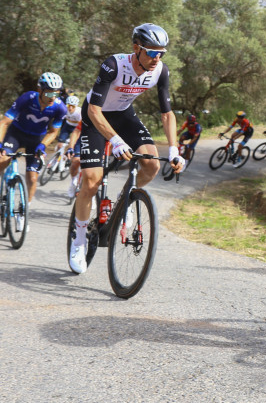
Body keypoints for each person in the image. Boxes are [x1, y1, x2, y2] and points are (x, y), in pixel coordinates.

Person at [69, 23, 185, 274]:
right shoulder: (113, 65)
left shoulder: (160, 71)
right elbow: (93, 111)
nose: (157, 58)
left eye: (161, 53)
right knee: (92, 180)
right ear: (136, 48)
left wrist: (175, 149)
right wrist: (116, 140)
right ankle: (78, 240)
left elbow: (167, 114)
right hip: (95, 117)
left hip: (123, 115)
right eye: (152, 52)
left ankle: (127, 202)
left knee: (152, 164)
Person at [0, 72, 68, 204]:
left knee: (32, 178)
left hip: (36, 139)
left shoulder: (60, 108)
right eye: (49, 93)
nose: (52, 98)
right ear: (39, 90)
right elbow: (4, 122)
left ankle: (25, 209)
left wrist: (42, 146)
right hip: (16, 134)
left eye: (56, 93)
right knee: (3, 159)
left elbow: (53, 132)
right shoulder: (27, 98)